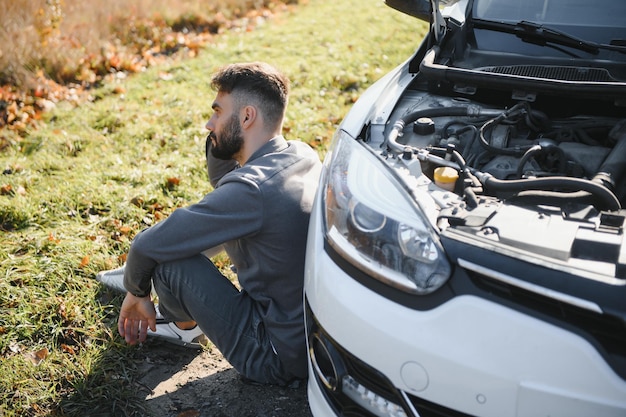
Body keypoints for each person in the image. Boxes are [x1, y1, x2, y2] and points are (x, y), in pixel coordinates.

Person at [97, 62, 322, 386]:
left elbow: (146, 244)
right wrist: (223, 133)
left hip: (276, 356)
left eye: (217, 112)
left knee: (169, 265)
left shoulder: (251, 191)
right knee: (190, 229)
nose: (208, 123)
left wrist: (137, 291)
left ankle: (183, 327)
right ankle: (149, 281)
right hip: (305, 337)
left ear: (246, 117)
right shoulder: (301, 154)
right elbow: (225, 175)